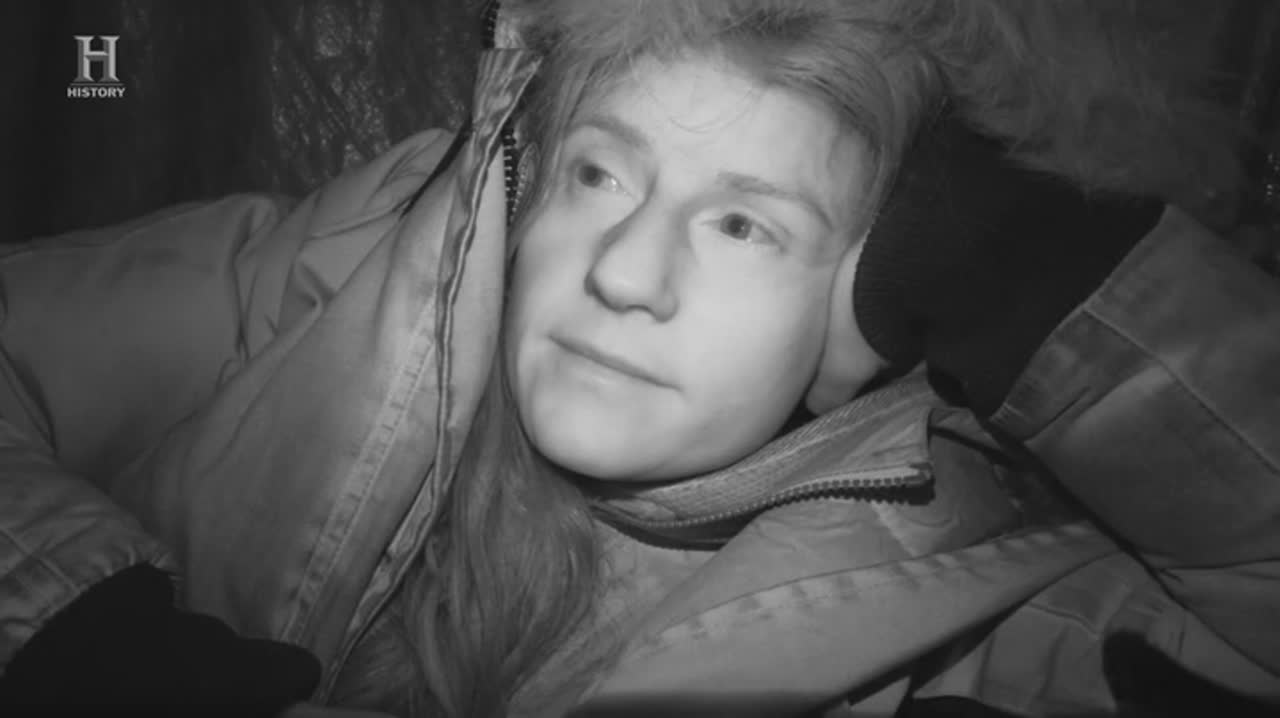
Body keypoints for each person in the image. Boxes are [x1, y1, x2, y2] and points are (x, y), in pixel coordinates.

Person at [2, 1, 1278, 716]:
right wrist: (83, 634)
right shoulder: (345, 265)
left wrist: (1034, 274)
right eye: (600, 173)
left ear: (879, 302)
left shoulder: (967, 621)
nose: (622, 270)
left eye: (741, 224)